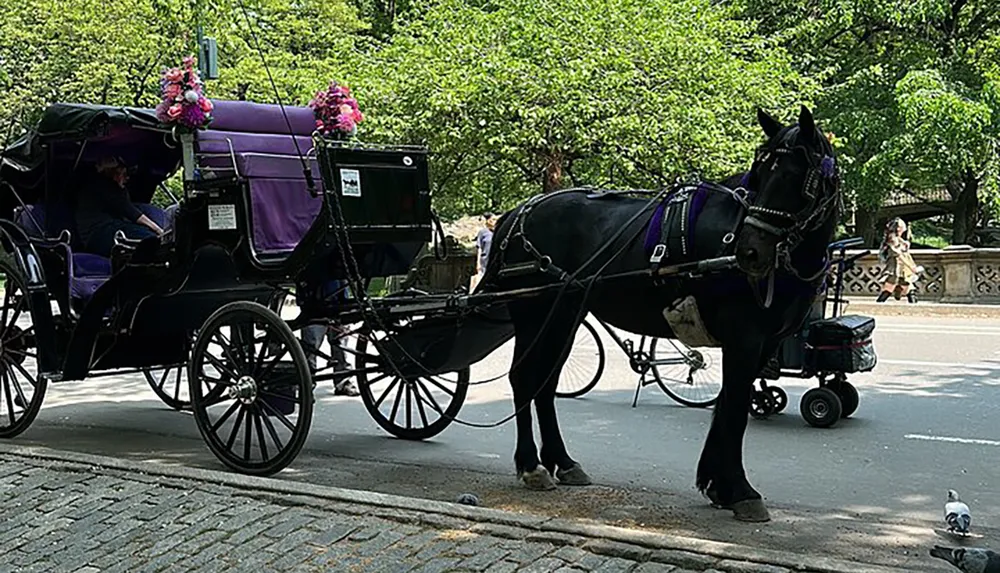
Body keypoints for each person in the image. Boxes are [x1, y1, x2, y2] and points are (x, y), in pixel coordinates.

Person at [75, 156, 164, 257]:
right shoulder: (106, 187)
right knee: (151, 240)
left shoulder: (93, 186)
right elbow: (132, 213)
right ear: (115, 172)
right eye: (124, 173)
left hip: (93, 238)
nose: (127, 178)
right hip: (101, 233)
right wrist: (159, 231)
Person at [297, 278, 359, 397]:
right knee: (311, 345)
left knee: (341, 343)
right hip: (313, 300)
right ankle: (307, 382)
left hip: (339, 298)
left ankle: (343, 380)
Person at [876, 217, 922, 303]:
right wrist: (912, 267)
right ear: (898, 228)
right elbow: (899, 255)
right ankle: (878, 306)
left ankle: (913, 307)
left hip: (902, 269)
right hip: (895, 268)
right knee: (889, 288)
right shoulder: (893, 239)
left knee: (908, 288)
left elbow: (905, 253)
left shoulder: (898, 238)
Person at [469, 212, 496, 292]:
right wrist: (478, 263)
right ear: (488, 221)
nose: (495, 222)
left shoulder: (497, 232)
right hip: (484, 258)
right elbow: (479, 248)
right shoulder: (483, 233)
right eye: (493, 219)